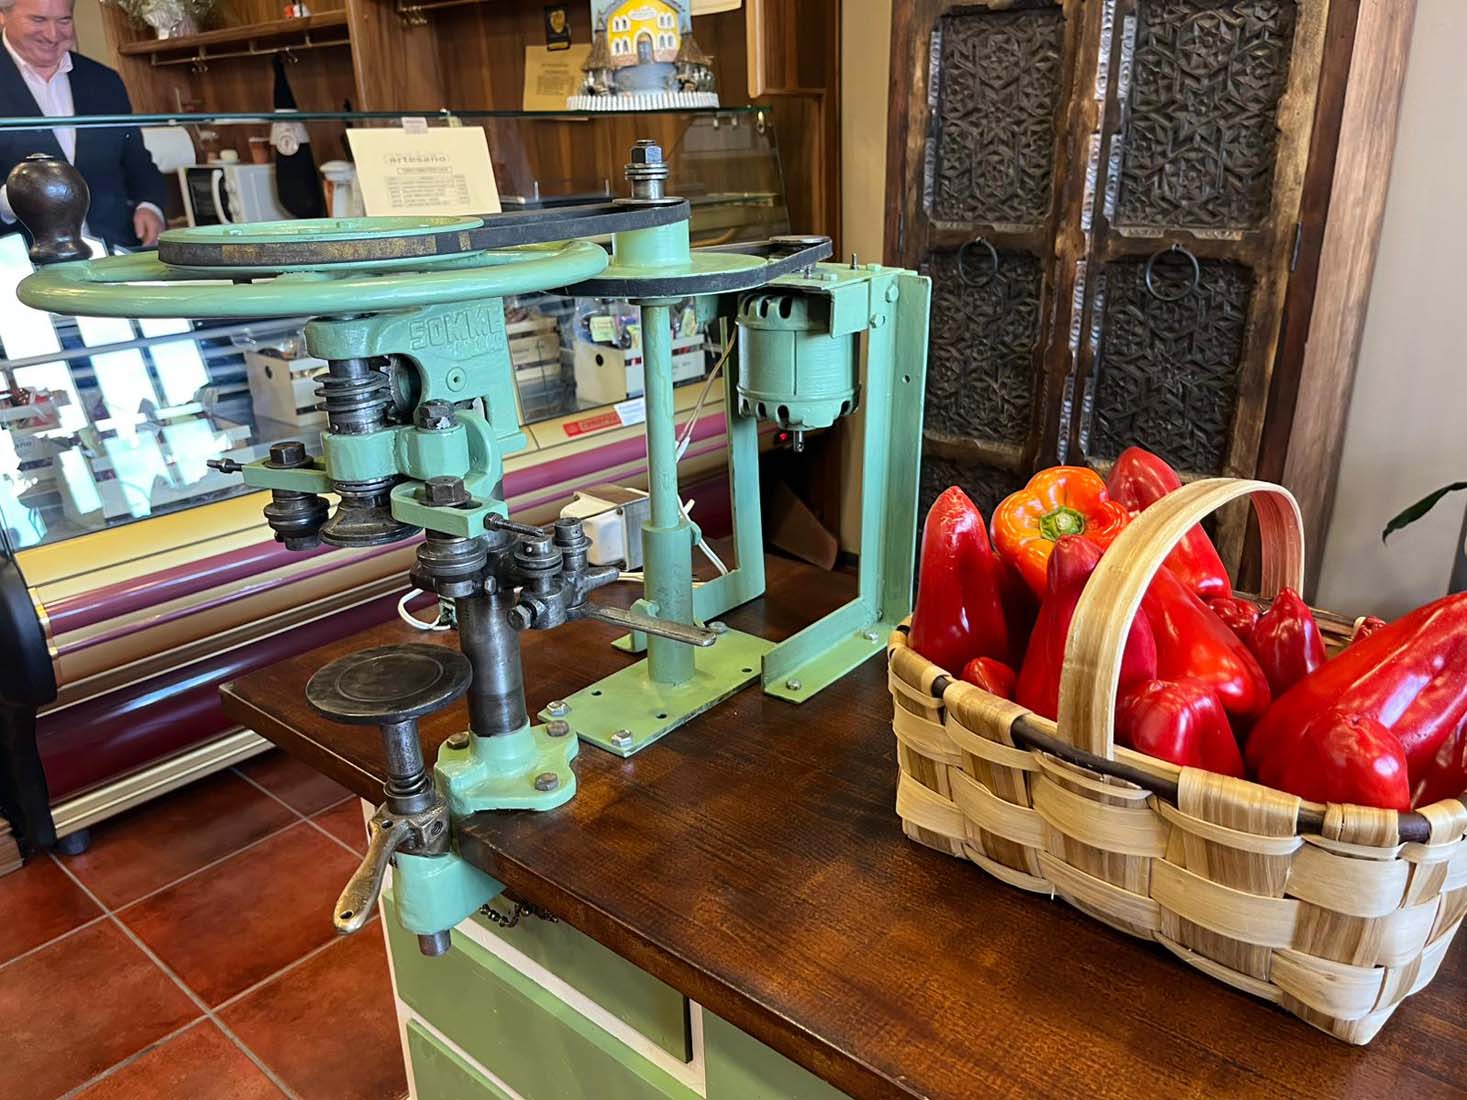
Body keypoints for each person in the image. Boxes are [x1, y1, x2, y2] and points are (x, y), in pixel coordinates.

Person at [0, 0, 165, 248]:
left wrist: (150, 206)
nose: (52, 35)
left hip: (114, 253)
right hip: (22, 258)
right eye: (38, 20)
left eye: (64, 20)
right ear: (3, 16)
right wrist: (9, 201)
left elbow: (137, 161)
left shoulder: (105, 80)